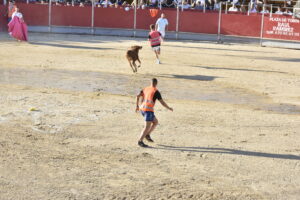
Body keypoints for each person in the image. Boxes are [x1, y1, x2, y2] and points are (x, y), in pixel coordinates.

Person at [136, 78, 173, 147]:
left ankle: (147, 135)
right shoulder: (156, 91)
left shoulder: (145, 89)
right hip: (148, 111)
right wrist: (169, 108)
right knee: (147, 127)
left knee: (155, 122)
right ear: (156, 83)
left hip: (142, 109)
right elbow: (162, 102)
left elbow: (137, 96)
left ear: (151, 83)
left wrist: (137, 106)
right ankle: (140, 141)